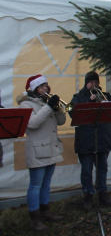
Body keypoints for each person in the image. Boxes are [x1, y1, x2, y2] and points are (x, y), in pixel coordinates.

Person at [16, 75, 65, 231]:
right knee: (35, 184)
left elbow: (62, 121)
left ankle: (46, 213)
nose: (46, 88)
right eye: (42, 86)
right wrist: (49, 107)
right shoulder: (25, 104)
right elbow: (32, 124)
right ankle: (35, 219)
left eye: (46, 85)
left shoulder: (46, 103)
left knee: (46, 183)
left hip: (51, 148)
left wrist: (57, 108)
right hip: (37, 150)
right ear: (34, 88)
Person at [69, 71, 111, 210]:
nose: (94, 85)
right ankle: (88, 195)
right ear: (86, 83)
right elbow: (72, 112)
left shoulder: (105, 96)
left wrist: (102, 100)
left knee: (102, 169)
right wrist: (89, 101)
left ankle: (103, 193)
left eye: (96, 82)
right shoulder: (78, 97)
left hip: (103, 138)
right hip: (85, 140)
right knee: (87, 170)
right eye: (91, 82)